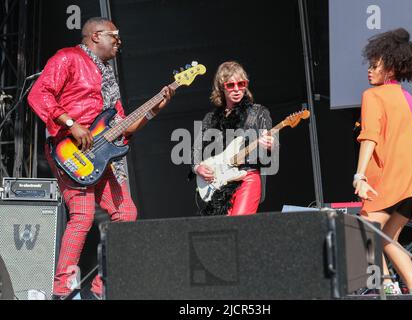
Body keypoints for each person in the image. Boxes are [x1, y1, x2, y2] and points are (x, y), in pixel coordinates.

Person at [27, 17, 174, 299]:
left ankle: (100, 290)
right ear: (96, 36)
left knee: (126, 213)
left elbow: (122, 125)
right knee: (82, 215)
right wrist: (71, 123)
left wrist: (155, 109)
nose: (119, 42)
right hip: (69, 150)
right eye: (115, 36)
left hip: (101, 155)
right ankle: (61, 292)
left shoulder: (109, 77)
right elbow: (39, 93)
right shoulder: (68, 57)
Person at [353, 28, 412, 295]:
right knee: (387, 238)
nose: (370, 71)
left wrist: (360, 176)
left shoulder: (372, 95)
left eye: (375, 66)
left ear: (390, 69)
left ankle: (383, 285)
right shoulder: (405, 97)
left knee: (365, 229)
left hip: (393, 176)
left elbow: (370, 138)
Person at [191, 61, 274, 216]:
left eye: (241, 84)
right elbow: (196, 149)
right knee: (224, 231)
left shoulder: (258, 113)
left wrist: (269, 146)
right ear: (221, 87)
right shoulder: (210, 118)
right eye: (231, 85)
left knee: (239, 226)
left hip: (247, 177)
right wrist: (198, 168)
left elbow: (270, 155)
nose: (237, 89)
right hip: (219, 182)